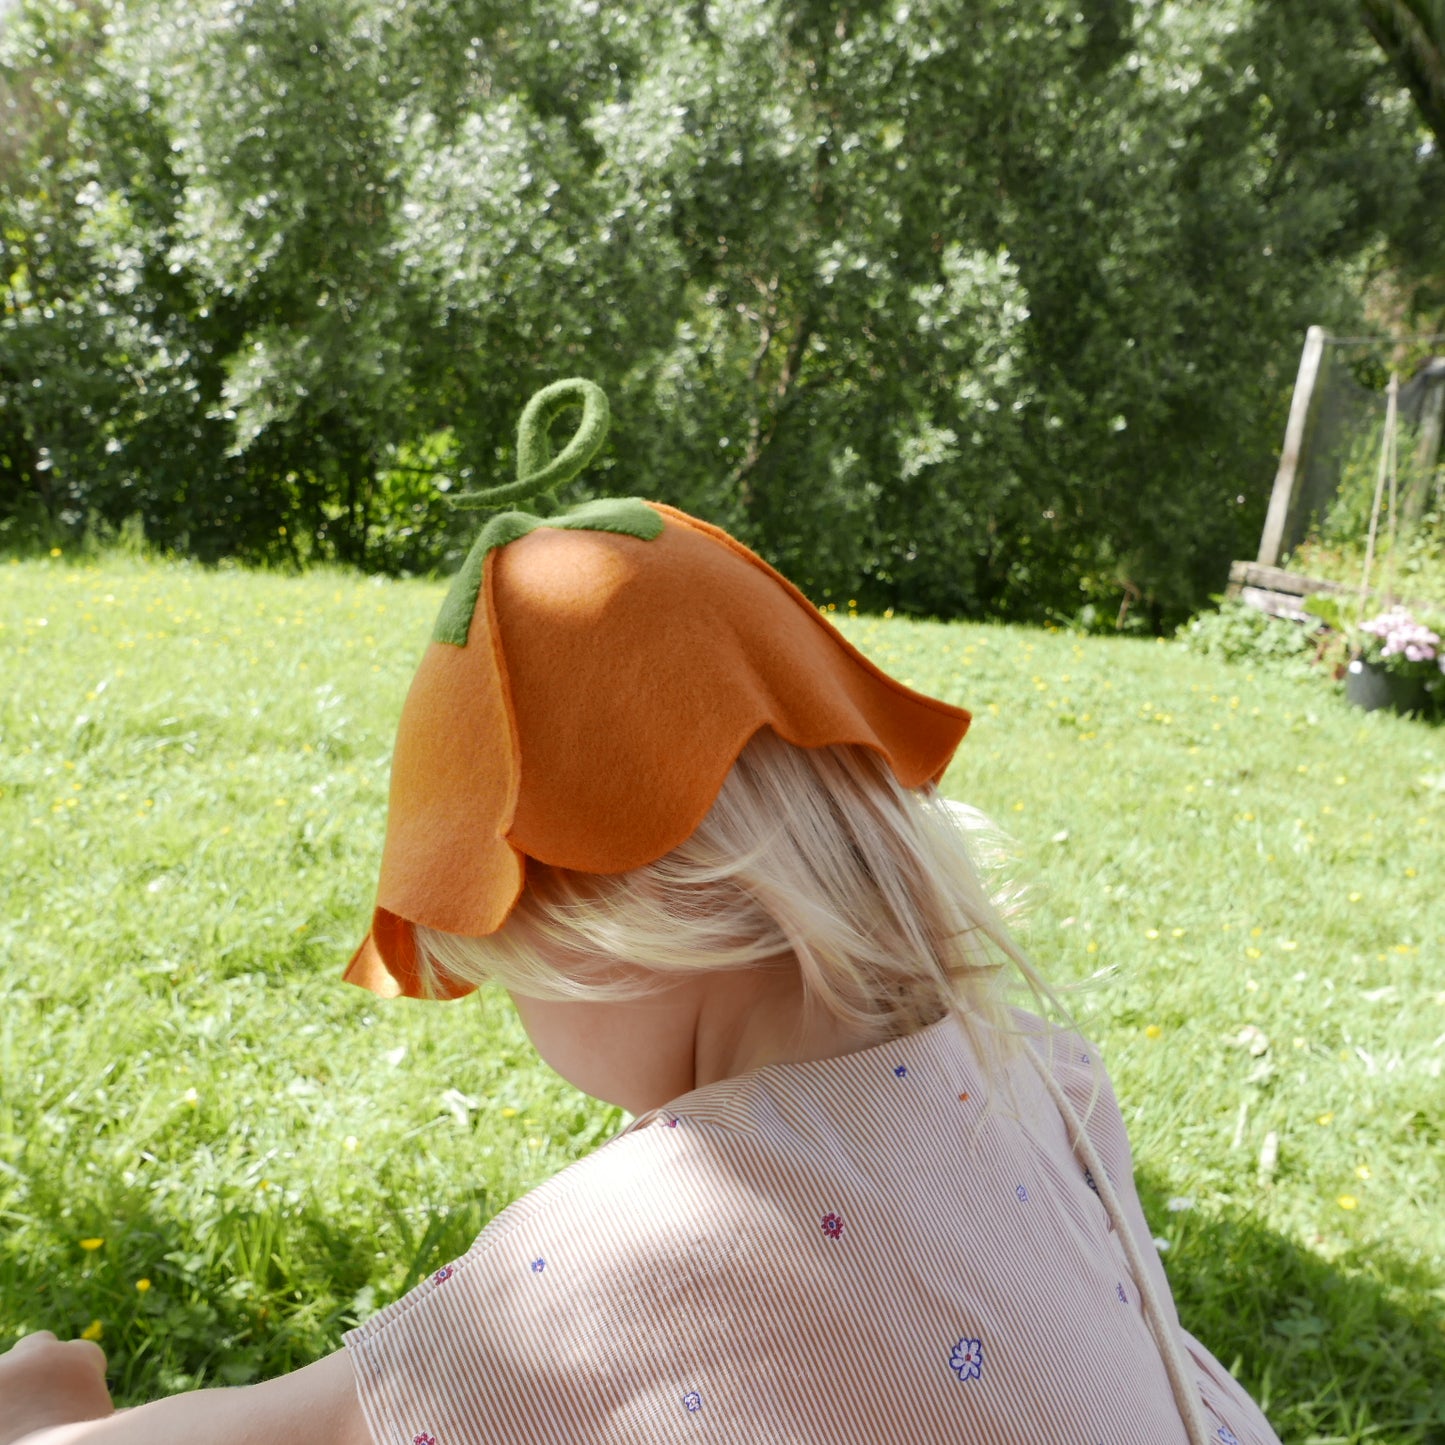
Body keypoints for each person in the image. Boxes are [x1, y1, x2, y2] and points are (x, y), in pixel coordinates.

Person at [0, 381, 1281, 1445]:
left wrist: (57, 1414)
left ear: (634, 925)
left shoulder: (659, 1243)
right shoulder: (1047, 1080)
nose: (517, 1018)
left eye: (506, 972)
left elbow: (313, 1429)